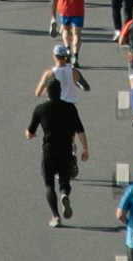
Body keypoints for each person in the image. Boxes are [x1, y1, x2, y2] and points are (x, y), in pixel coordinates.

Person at [27, 76, 90, 226]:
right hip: (66, 150)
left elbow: (30, 132)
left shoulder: (40, 109)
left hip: (49, 150)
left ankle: (56, 217)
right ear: (60, 92)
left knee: (49, 184)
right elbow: (80, 129)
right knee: (64, 180)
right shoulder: (70, 108)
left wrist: (30, 134)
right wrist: (85, 149)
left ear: (47, 92)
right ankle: (64, 194)